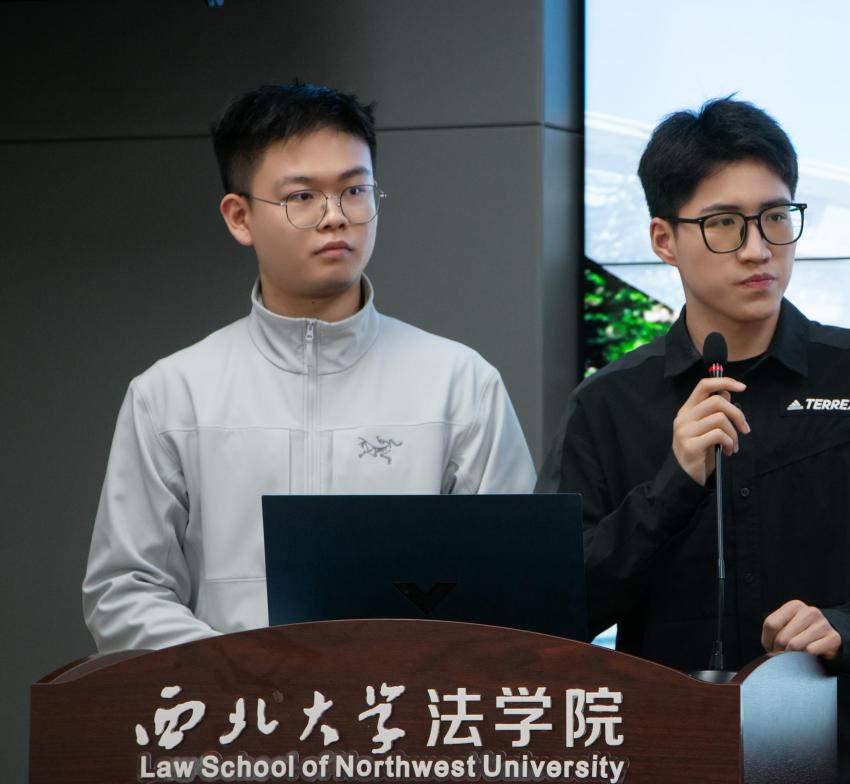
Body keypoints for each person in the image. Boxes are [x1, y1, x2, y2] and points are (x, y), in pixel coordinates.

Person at [537, 98, 850, 783]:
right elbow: (556, 604)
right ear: (663, 239)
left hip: (849, 754)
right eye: (723, 223)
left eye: (776, 217)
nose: (757, 248)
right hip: (671, 754)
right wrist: (672, 484)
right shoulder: (608, 404)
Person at [83, 84, 535, 653]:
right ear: (240, 217)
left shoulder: (461, 385)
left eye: (355, 191)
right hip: (234, 706)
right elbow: (124, 593)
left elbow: (515, 590)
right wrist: (248, 672)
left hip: (405, 705)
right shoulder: (172, 394)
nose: (335, 217)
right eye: (302, 197)